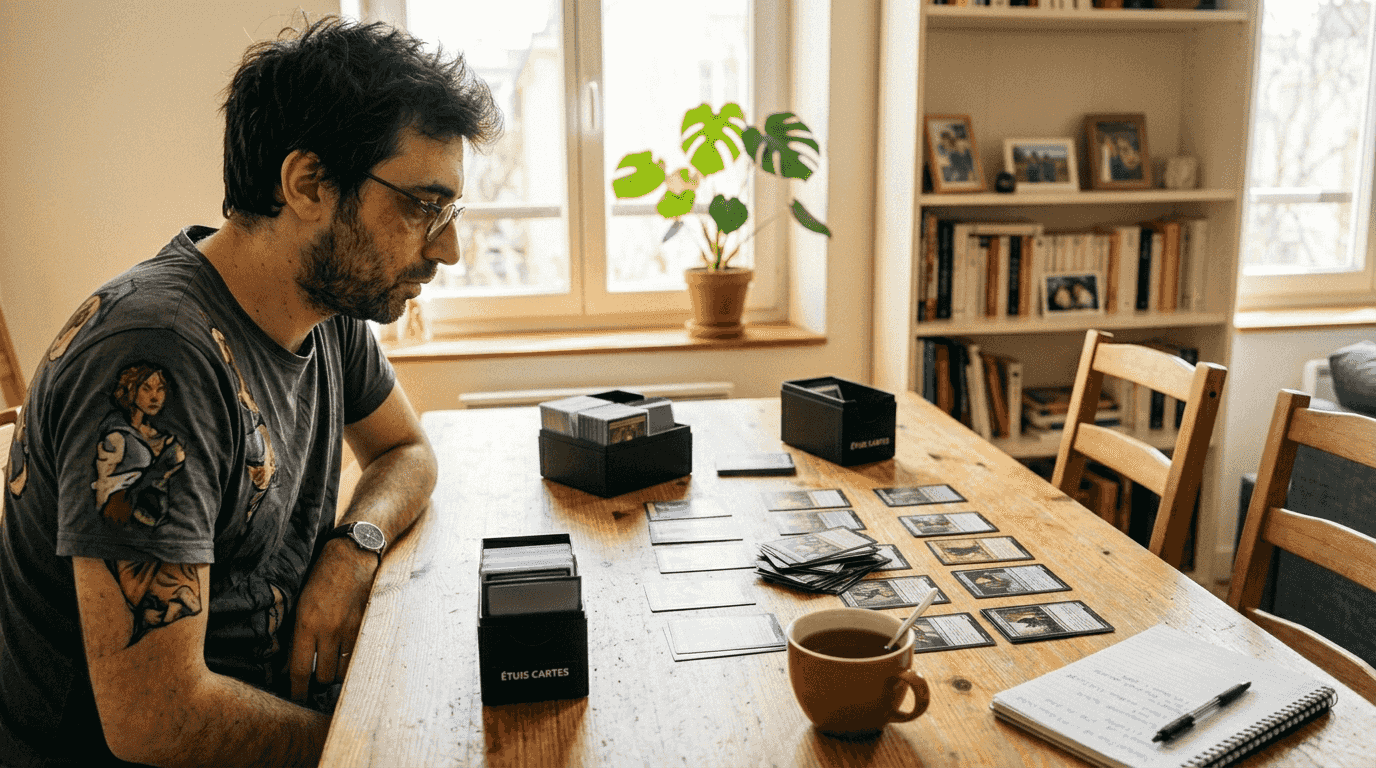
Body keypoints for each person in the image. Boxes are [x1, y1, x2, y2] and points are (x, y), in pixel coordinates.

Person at [0, 15, 501, 767]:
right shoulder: (157, 362)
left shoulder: (326, 311)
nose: (449, 249)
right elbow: (155, 721)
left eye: (449, 211)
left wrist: (352, 549)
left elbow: (406, 451)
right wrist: (385, 747)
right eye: (422, 206)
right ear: (308, 185)